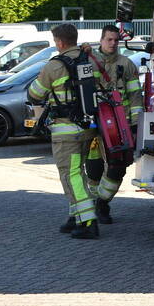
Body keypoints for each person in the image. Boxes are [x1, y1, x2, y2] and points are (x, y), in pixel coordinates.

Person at [26, 24, 100, 239]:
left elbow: (35, 95)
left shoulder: (54, 65)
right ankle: (75, 218)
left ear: (59, 42)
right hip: (89, 129)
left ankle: (88, 222)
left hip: (66, 132)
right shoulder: (90, 59)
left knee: (71, 175)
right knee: (77, 173)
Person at [84, 24, 142, 224]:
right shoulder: (88, 61)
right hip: (94, 125)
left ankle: (102, 202)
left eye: (116, 40)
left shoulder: (126, 64)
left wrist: (135, 125)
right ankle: (95, 204)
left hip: (120, 125)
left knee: (118, 166)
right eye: (108, 39)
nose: (113, 43)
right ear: (101, 40)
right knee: (93, 168)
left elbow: (135, 96)